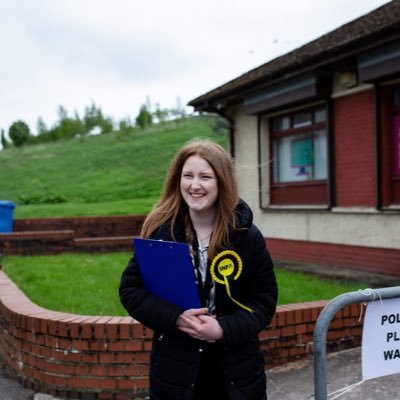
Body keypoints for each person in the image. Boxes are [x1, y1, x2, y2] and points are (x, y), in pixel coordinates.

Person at [119, 138, 278, 400]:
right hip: (175, 371)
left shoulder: (247, 236)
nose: (194, 185)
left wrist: (223, 329)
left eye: (205, 176)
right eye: (188, 176)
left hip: (237, 373)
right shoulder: (162, 232)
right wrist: (176, 317)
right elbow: (131, 290)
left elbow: (264, 301)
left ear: (222, 182)